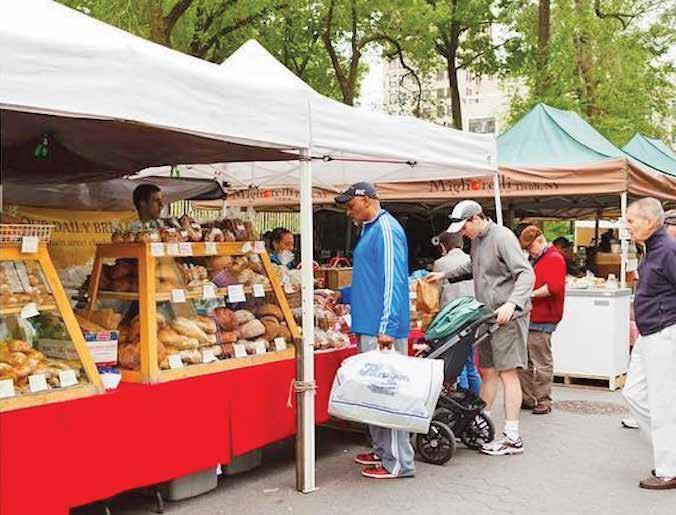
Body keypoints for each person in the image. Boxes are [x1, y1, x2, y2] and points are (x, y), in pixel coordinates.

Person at [426, 200, 534, 456]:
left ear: (476, 218)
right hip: (488, 315)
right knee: (487, 370)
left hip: (508, 316)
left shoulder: (503, 237)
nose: (463, 234)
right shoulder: (477, 241)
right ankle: (478, 422)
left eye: (465, 228)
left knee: (508, 373)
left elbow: (526, 273)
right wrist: (444, 275)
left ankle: (512, 437)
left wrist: (512, 303)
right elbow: (472, 267)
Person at [334, 182, 414, 480]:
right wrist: (343, 294)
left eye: (350, 205)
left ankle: (398, 462)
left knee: (387, 394)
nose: (348, 212)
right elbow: (370, 277)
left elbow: (394, 279)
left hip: (379, 327)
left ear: (366, 200)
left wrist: (387, 326)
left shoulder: (386, 229)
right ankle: (383, 451)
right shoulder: (370, 229)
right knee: (374, 393)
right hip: (369, 323)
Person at [622, 198, 676, 490]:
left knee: (663, 403)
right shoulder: (652, 249)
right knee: (632, 394)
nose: (627, 226)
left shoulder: (667, 250)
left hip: (664, 332)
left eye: (631, 221)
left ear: (650, 221)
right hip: (650, 333)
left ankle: (669, 469)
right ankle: (670, 454)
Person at [517, 226, 567, 415]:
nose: (529, 252)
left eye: (530, 248)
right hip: (531, 315)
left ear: (540, 240)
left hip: (543, 316)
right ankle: (528, 397)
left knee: (540, 360)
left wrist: (529, 294)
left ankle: (544, 399)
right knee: (526, 360)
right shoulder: (537, 258)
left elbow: (553, 287)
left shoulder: (554, 258)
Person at [432, 231, 481, 395]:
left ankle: (463, 396)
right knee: (470, 361)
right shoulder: (472, 260)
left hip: (452, 317)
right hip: (474, 314)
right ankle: (477, 398)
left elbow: (436, 292)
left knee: (457, 361)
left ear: (443, 246)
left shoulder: (440, 263)